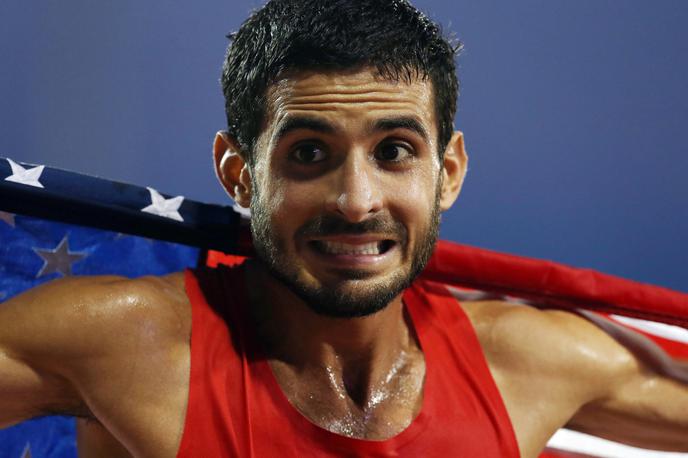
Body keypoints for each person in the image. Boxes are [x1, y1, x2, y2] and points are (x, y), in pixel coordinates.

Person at [1, 0, 687, 457]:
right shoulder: (127, 346)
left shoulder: (532, 363)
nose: (357, 201)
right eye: (308, 154)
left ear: (447, 171)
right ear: (239, 173)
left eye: (394, 151)